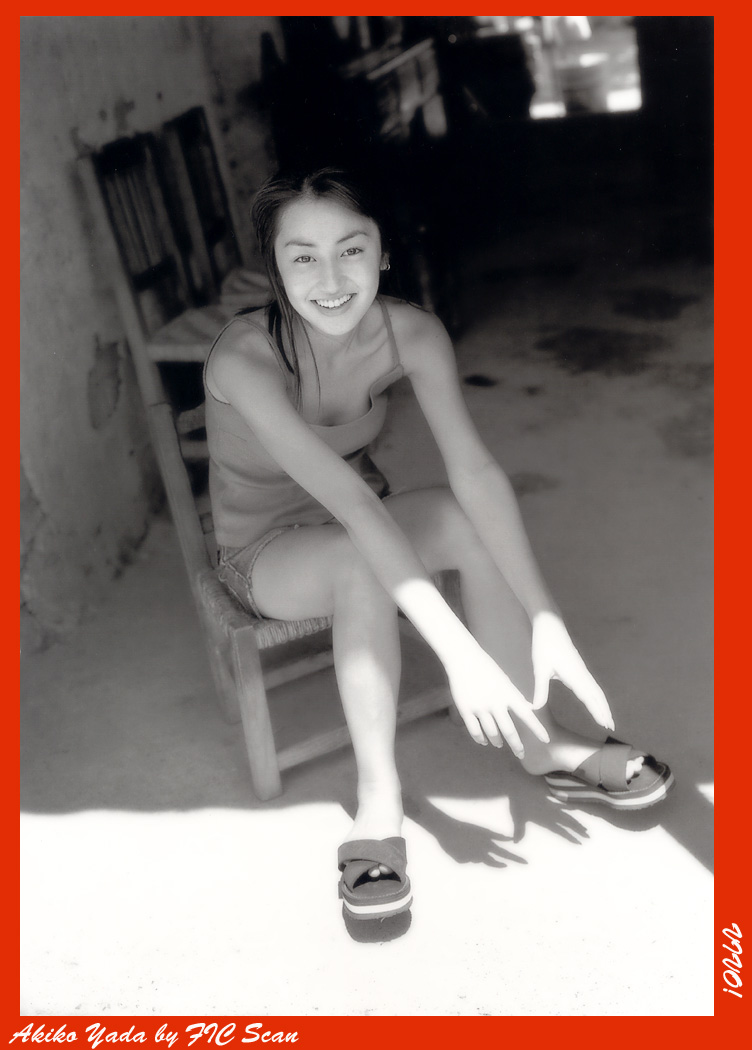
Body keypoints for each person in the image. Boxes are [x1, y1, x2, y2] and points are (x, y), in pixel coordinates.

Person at [204, 167, 673, 921]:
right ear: (276, 270)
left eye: (351, 250)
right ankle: (378, 804)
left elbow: (476, 473)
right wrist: (460, 655)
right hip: (266, 551)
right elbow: (355, 505)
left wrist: (546, 618)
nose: (332, 279)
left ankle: (542, 742)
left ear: (384, 252)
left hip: (363, 525)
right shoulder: (244, 357)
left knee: (461, 515)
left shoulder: (413, 332)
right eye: (303, 257)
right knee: (362, 559)